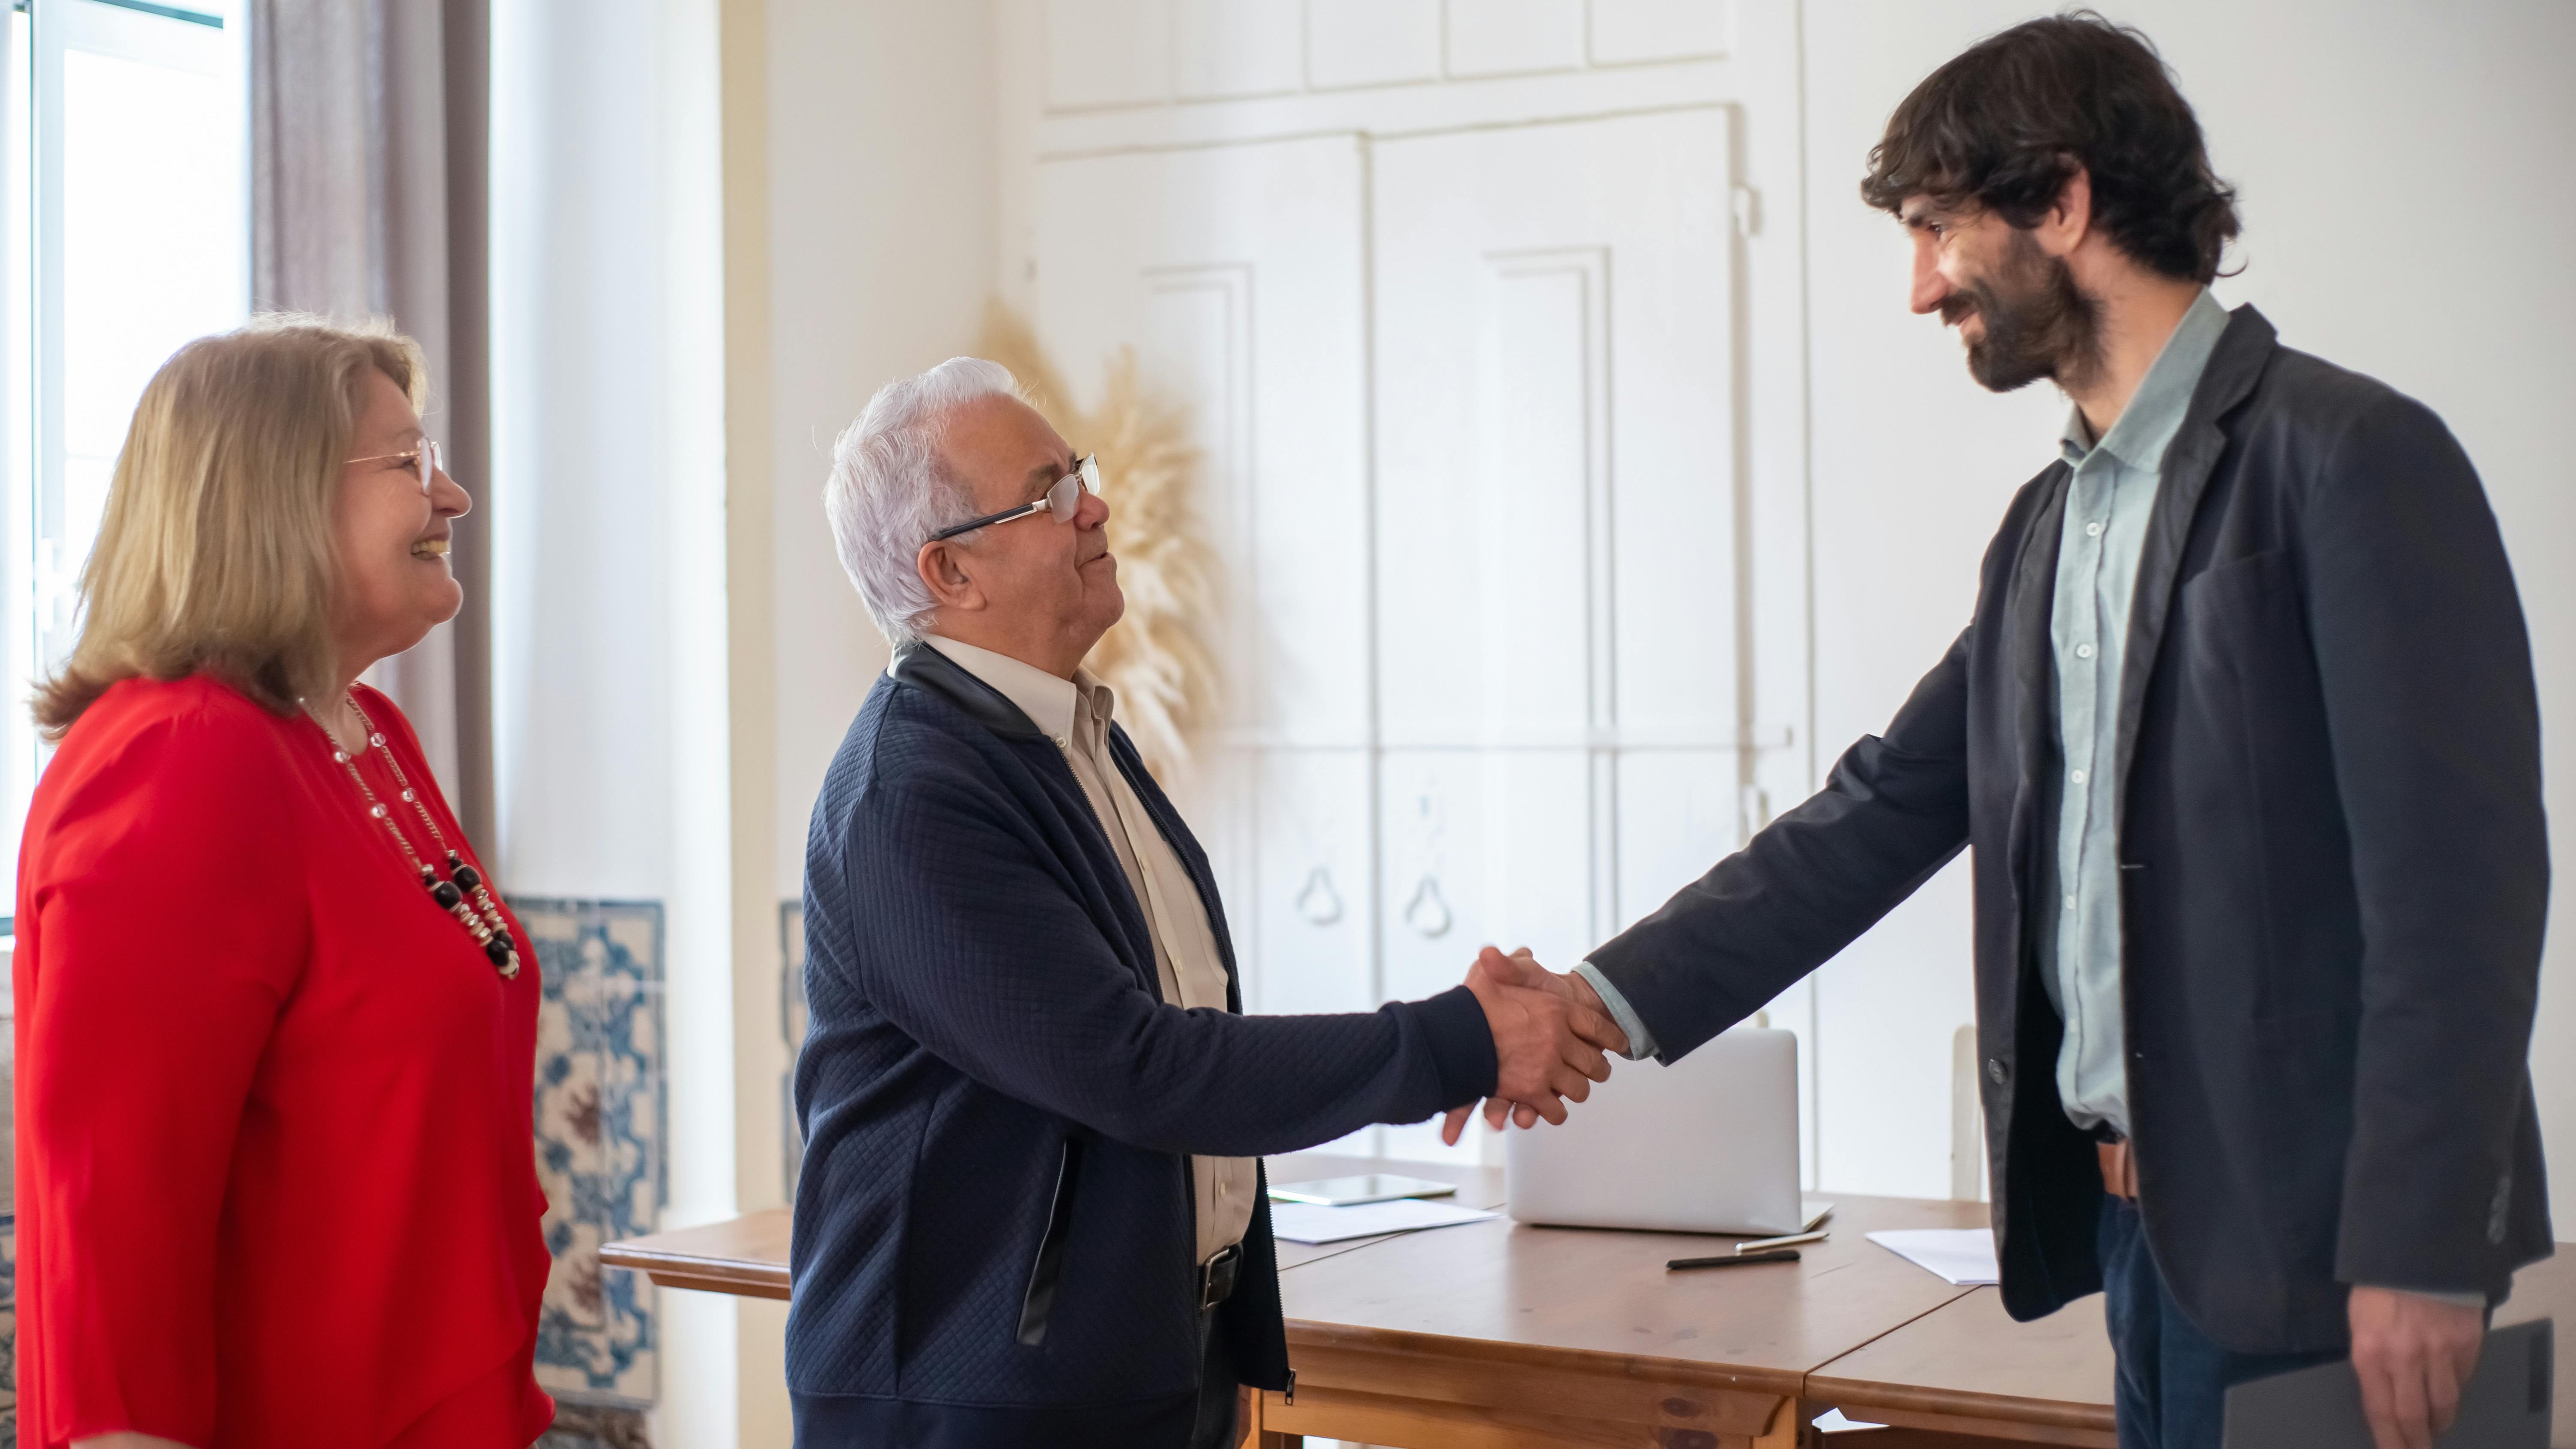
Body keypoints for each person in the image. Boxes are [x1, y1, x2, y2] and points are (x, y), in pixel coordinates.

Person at [1466, 16, 2548, 1449]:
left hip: (2331, 1259)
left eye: (1935, 230)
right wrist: (1602, 996)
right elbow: (1878, 812)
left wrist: (2416, 1246)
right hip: (2138, 1251)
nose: (1919, 288)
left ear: (2061, 200)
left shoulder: (2349, 461)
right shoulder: (2044, 532)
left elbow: (2455, 896)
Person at [790, 358, 1625, 1448]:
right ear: (949, 573)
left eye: (1074, 472)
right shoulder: (910, 797)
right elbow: (1139, 1070)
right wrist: (1457, 1043)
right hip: (978, 1408)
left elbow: (1180, 1042)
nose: (1093, 505)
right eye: (1047, 493)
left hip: (1149, 1367)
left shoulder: (1072, 735)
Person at [14, 319, 554, 1449]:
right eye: (407, 461)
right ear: (277, 495)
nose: (451, 495)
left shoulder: (370, 738)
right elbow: (115, 1230)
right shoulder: (182, 759)